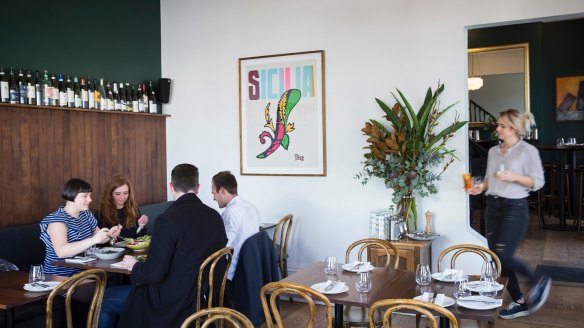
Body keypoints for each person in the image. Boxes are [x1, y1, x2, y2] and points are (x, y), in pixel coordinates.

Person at [99, 164, 228, 328]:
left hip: (170, 303)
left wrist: (135, 265)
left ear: (171, 187)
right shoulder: (214, 217)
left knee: (106, 299)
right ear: (197, 187)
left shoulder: (167, 220)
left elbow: (153, 274)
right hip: (204, 299)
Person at [468, 109, 551, 319]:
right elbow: (490, 180)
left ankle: (538, 278)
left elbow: (538, 182)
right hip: (492, 207)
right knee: (497, 259)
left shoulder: (527, 151)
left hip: (515, 208)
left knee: (505, 256)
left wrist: (515, 176)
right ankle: (519, 301)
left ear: (513, 128)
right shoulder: (495, 152)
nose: (497, 129)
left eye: (502, 126)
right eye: (498, 125)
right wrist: (480, 188)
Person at [39, 178, 121, 276]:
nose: (90, 199)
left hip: (86, 272)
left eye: (89, 195)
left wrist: (109, 235)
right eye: (85, 196)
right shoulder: (57, 220)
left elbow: (100, 239)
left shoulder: (86, 214)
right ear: (71, 196)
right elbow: (62, 251)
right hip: (60, 277)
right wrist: (94, 240)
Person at [211, 171, 261, 281]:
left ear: (222, 191)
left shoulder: (230, 212)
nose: (213, 198)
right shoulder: (251, 207)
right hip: (251, 266)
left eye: (213, 193)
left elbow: (224, 247)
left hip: (233, 272)